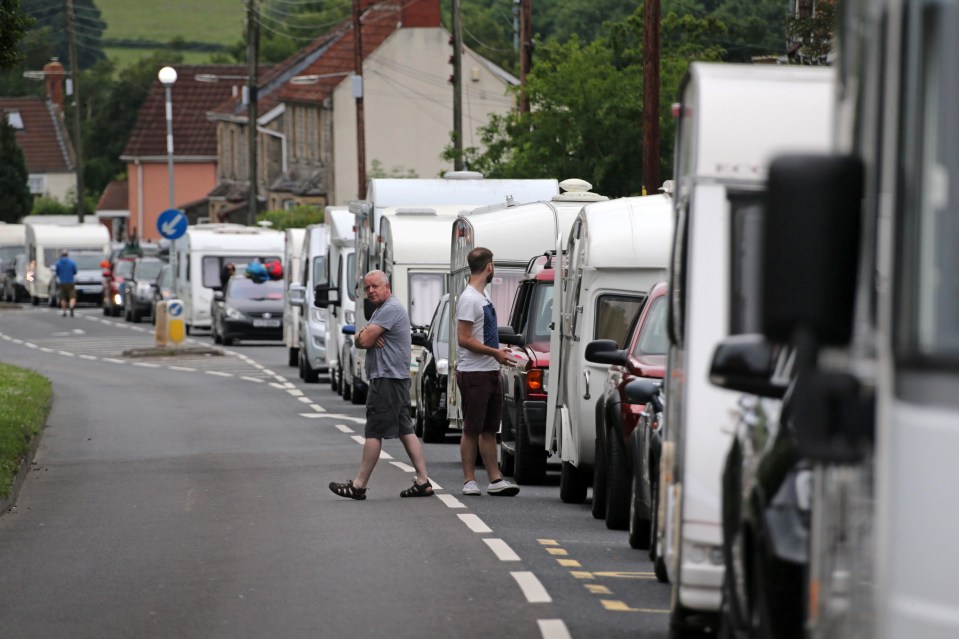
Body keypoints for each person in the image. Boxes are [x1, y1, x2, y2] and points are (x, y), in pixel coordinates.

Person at [329, 270, 434, 500]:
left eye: (375, 286)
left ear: (387, 286)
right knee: (406, 429)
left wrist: (365, 335)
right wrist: (364, 335)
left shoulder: (389, 309)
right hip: (395, 378)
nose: (370, 291)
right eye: (367, 288)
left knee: (374, 431)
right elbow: (362, 339)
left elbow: (363, 341)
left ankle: (359, 485)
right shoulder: (383, 310)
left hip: (387, 378)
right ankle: (423, 481)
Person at [456, 247, 520, 497]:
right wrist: (494, 353)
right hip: (474, 373)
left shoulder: (483, 297)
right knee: (472, 428)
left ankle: (495, 479)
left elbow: (483, 336)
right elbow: (463, 339)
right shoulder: (469, 299)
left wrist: (499, 353)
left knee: (490, 428)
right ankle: (469, 481)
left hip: (489, 370)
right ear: (489, 267)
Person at [53, 250, 78, 317]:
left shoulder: (58, 263)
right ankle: (71, 305)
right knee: (72, 296)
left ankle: (64, 311)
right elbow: (75, 271)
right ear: (67, 255)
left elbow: (57, 272)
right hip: (70, 282)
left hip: (62, 282)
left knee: (63, 297)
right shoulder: (72, 262)